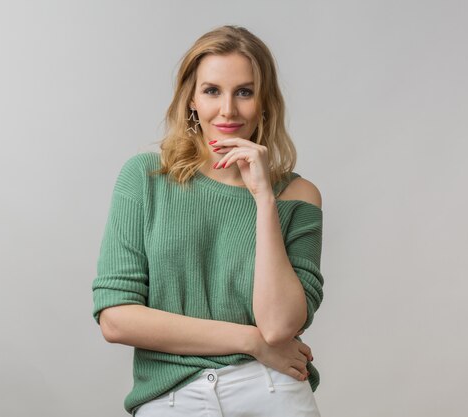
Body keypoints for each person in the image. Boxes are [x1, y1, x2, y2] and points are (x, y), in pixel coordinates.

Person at [91, 25, 324, 417]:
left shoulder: (297, 195)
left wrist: (264, 199)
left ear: (265, 102)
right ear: (192, 100)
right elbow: (116, 318)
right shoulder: (145, 178)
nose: (228, 110)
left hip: (269, 386)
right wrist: (249, 340)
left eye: (244, 92)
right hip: (171, 397)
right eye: (212, 91)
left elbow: (280, 326)